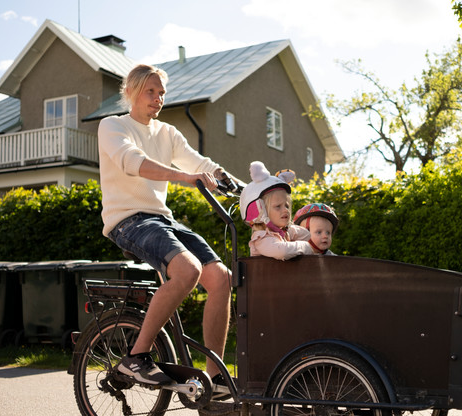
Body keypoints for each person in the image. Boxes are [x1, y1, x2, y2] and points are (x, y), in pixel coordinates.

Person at [98, 63, 238, 393]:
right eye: (150, 91)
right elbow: (132, 162)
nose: (158, 98)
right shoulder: (112, 126)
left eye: (162, 92)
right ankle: (136, 357)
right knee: (187, 270)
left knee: (220, 278)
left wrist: (243, 186)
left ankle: (214, 378)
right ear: (130, 91)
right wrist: (183, 177)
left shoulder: (168, 133)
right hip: (128, 219)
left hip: (162, 219)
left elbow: (198, 163)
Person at [239, 161, 314, 260]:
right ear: (260, 212)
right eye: (278, 206)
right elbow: (282, 252)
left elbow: (307, 235)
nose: (285, 210)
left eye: (286, 206)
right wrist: (306, 246)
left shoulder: (284, 233)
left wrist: (289, 228)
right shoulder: (262, 238)